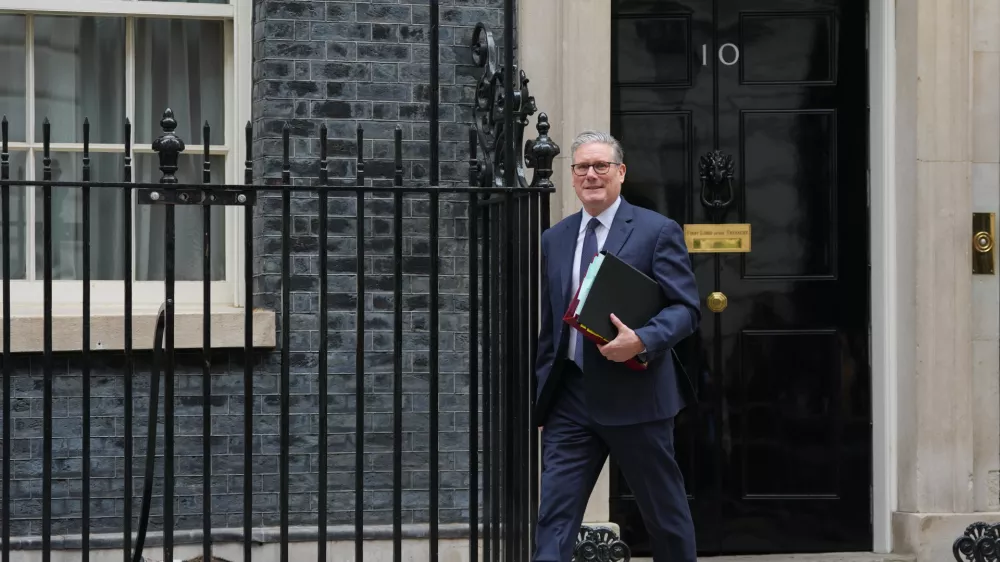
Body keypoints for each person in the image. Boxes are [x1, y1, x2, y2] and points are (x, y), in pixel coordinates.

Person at [533, 130, 701, 562]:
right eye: (582, 167)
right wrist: (541, 400)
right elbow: (550, 329)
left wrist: (642, 340)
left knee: (665, 517)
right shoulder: (555, 239)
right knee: (553, 519)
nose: (591, 174)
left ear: (621, 173)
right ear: (572, 177)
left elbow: (686, 309)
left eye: (601, 166)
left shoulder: (657, 231)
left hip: (637, 397)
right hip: (570, 399)